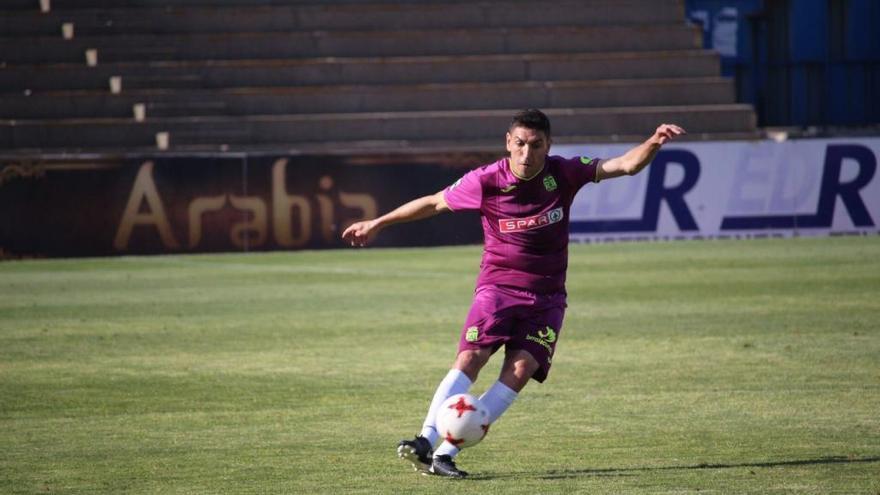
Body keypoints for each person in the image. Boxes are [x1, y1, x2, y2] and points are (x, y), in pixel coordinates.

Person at [342, 109, 685, 478]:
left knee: (520, 371)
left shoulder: (564, 173)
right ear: (508, 142)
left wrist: (653, 142)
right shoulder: (487, 179)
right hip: (498, 287)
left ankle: (444, 456)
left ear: (548, 145)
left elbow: (625, 166)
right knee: (472, 358)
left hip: (549, 297)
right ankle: (424, 439)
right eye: (519, 144)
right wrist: (378, 223)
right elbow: (434, 202)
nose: (526, 153)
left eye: (536, 145)